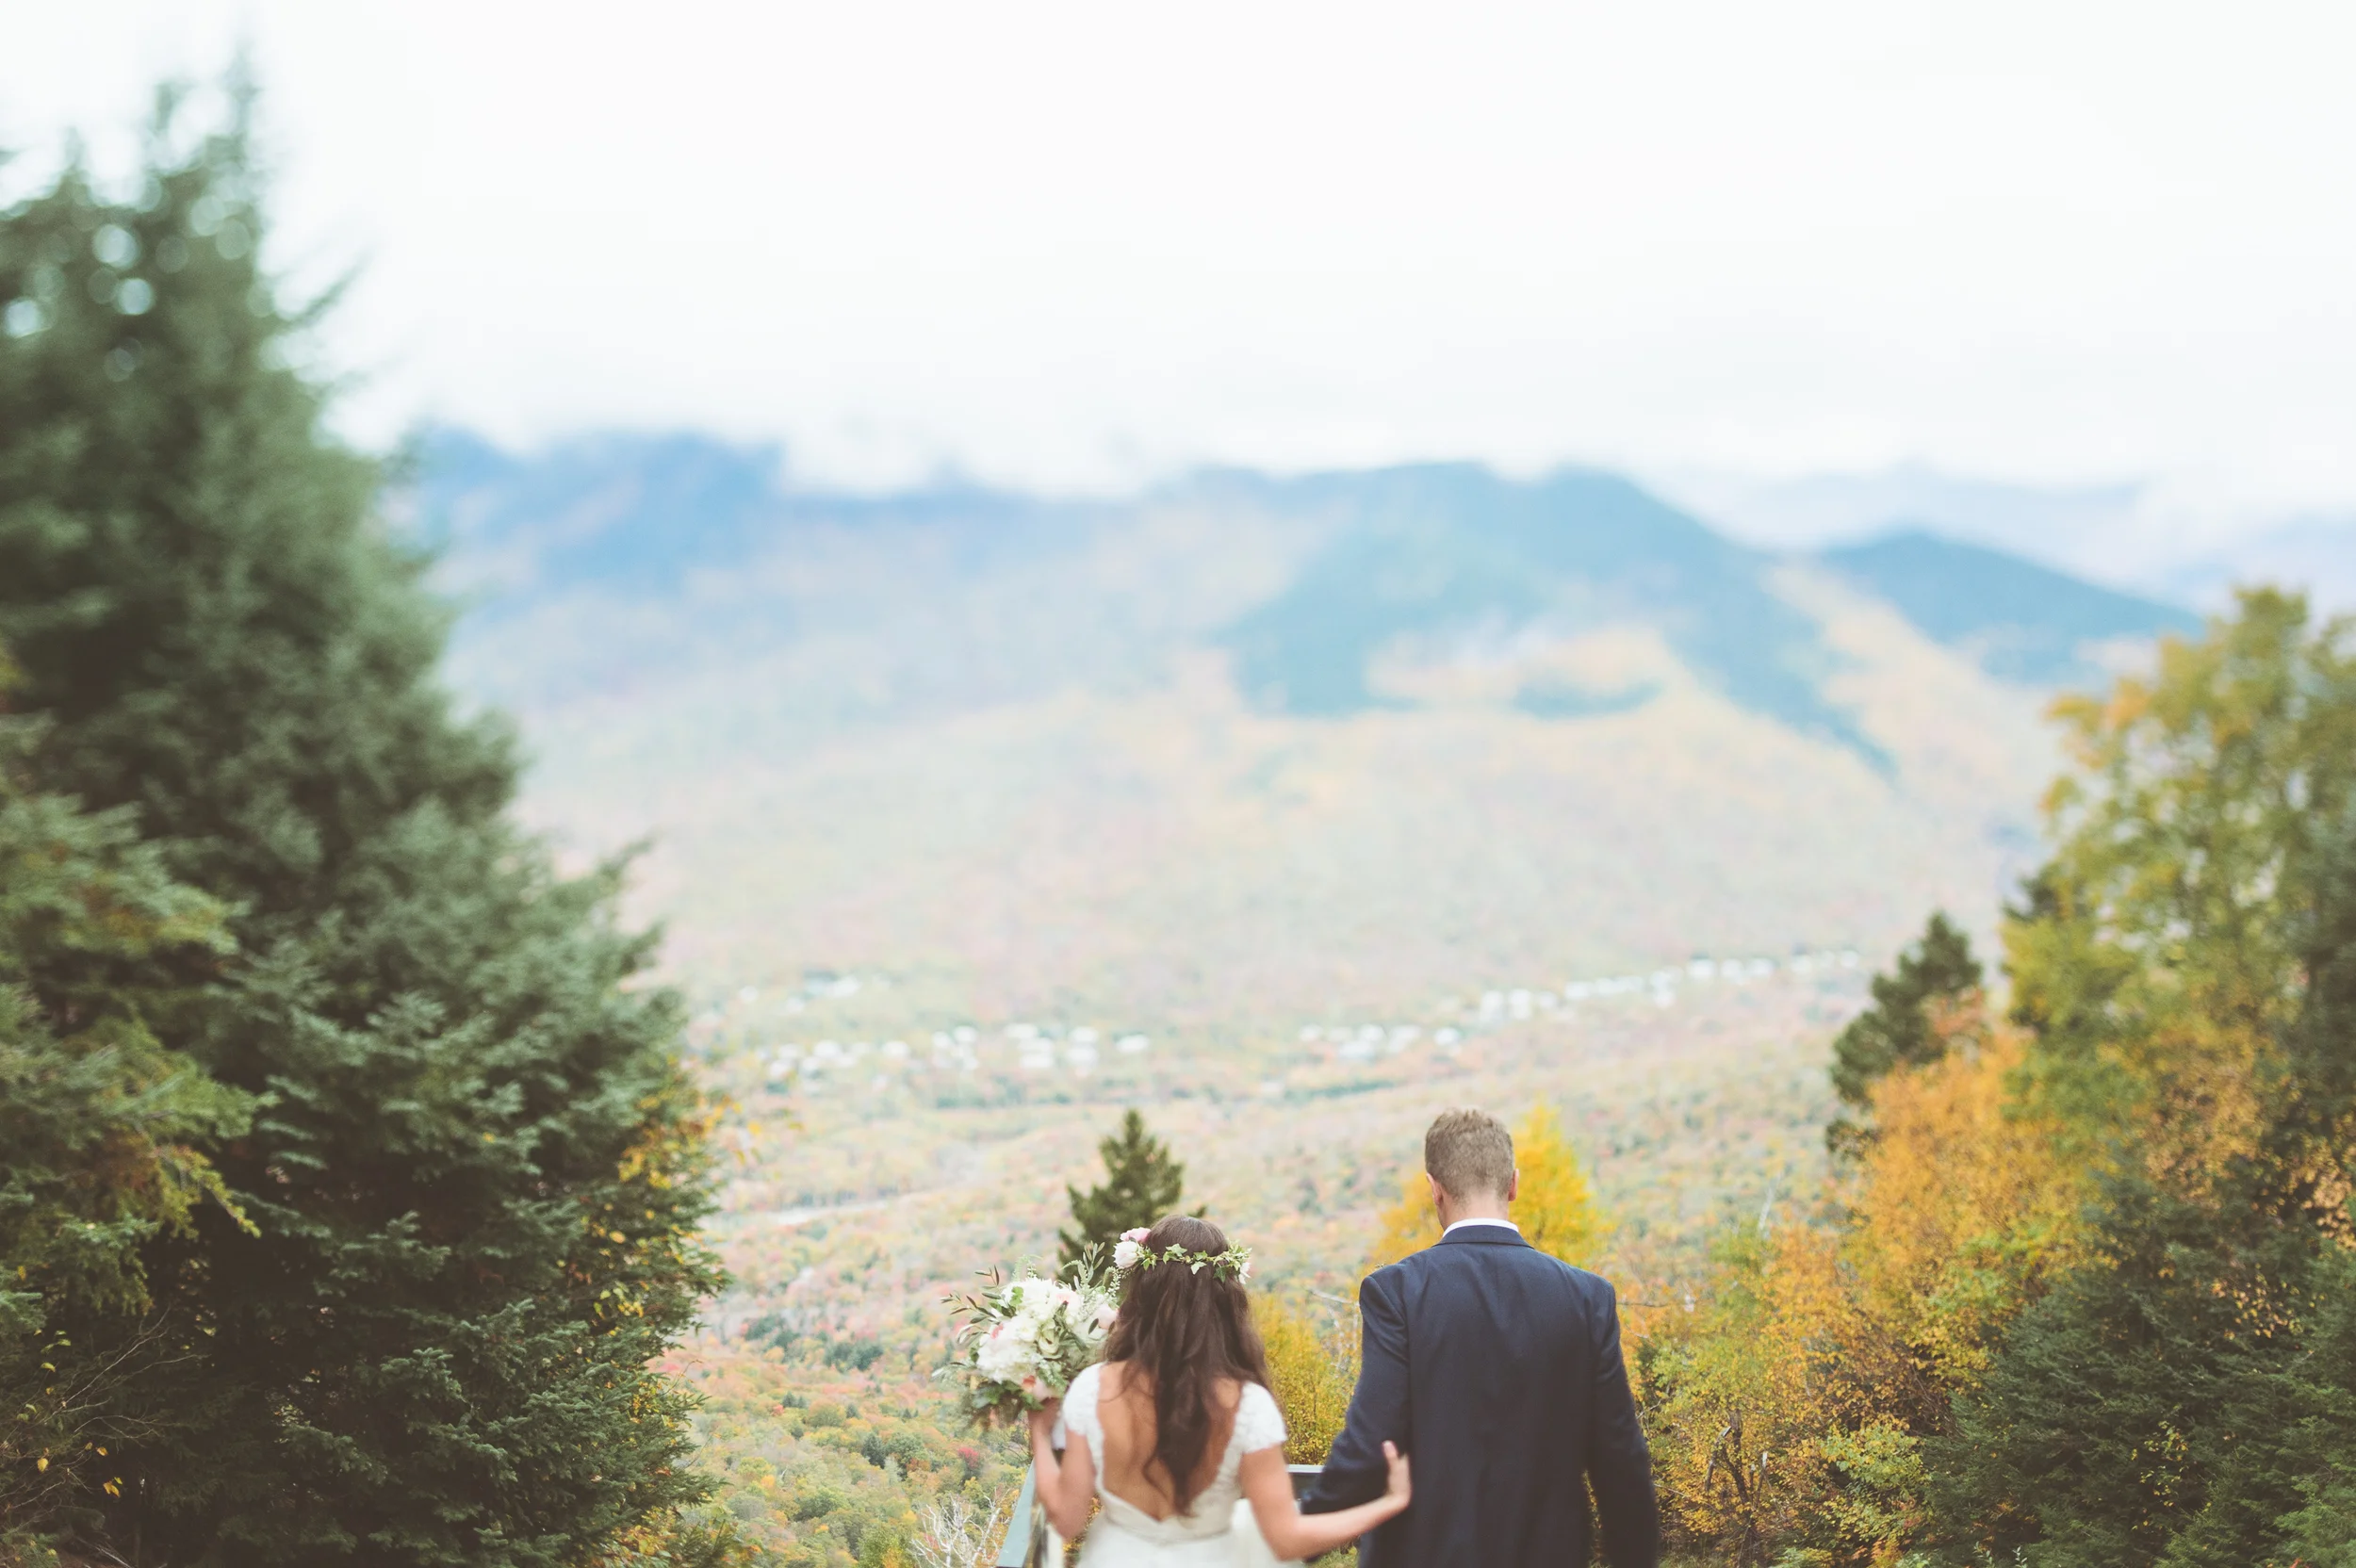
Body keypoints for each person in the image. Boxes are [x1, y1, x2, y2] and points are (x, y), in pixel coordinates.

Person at [1302, 1107, 1661, 1566]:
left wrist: (1296, 1538)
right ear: (1513, 1183)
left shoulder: (1397, 1292)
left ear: (1435, 1189)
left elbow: (1374, 1443)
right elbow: (1620, 1462)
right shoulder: (1588, 1297)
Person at [1028, 1216, 1412, 1566]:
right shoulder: (1247, 1405)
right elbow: (1287, 1540)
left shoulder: (1092, 1388)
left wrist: (1040, 1433)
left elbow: (1065, 1519)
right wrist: (1389, 1503)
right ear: (1225, 1299)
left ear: (1142, 1290)